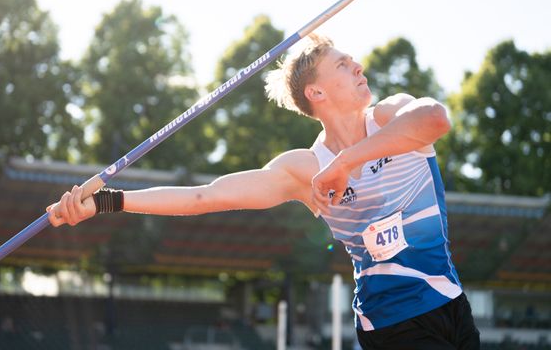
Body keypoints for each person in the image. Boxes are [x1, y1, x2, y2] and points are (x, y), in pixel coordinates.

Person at [48, 34, 480, 349]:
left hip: (452, 301)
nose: (359, 66)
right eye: (344, 65)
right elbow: (207, 196)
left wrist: (347, 163)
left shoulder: (390, 117)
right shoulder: (304, 169)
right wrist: (109, 201)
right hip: (393, 321)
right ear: (317, 92)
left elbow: (436, 119)